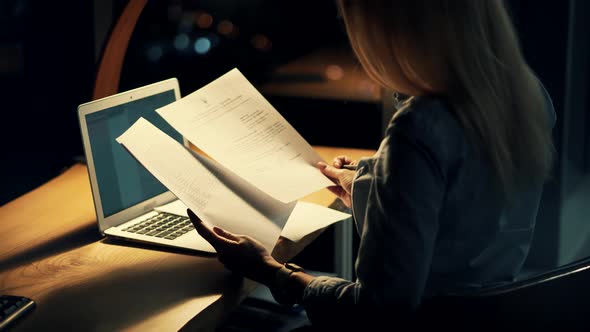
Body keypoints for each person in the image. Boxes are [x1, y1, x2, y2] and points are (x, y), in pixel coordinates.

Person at [187, 0, 556, 328]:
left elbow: (376, 312)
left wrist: (269, 270)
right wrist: (366, 182)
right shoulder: (526, 94)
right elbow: (460, 213)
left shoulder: (419, 127)